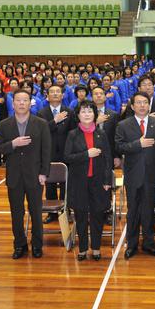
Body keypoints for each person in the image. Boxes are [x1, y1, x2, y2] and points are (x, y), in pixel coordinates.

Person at [0, 90, 51, 259]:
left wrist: (44, 172)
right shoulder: (4, 124)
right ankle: (19, 245)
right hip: (14, 177)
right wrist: (13, 144)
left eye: (25, 100)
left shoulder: (41, 123)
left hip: (35, 175)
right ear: (13, 104)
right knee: (17, 213)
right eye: (18, 100)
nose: (21, 103)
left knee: (36, 212)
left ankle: (37, 245)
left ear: (30, 103)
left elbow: (46, 151)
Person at [115, 92, 155, 259]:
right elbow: (119, 146)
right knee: (133, 211)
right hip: (132, 175)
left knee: (148, 210)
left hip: (152, 176)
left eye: (145, 102)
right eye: (139, 102)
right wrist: (138, 144)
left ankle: (149, 244)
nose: (142, 105)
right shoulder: (123, 125)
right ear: (132, 106)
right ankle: (131, 245)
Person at [64, 100, 113, 261]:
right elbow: (67, 157)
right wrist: (87, 154)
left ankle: (97, 248)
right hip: (79, 181)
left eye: (90, 111)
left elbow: (107, 159)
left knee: (98, 215)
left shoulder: (101, 134)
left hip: (98, 181)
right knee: (81, 215)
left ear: (95, 114)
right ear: (78, 115)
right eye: (83, 111)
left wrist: (107, 180)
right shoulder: (72, 134)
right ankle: (83, 248)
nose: (87, 114)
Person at [37, 85, 76, 223]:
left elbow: (74, 132)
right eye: (52, 92)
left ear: (62, 95)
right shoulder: (42, 113)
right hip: (49, 153)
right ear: (47, 96)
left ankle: (66, 210)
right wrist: (55, 121)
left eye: (57, 92)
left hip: (67, 153)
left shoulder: (70, 112)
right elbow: (40, 132)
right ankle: (52, 214)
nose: (54, 94)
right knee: (50, 185)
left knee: (67, 184)